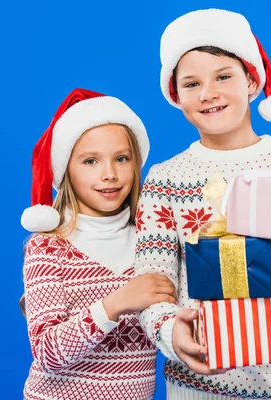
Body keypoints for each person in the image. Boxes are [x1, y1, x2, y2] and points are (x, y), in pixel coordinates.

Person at [134, 9, 271, 399]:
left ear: (252, 81)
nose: (208, 93)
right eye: (191, 83)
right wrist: (170, 330)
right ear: (176, 95)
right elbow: (153, 282)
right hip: (197, 387)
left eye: (223, 76)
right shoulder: (164, 179)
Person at [20, 88, 176, 400]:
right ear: (66, 170)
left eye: (121, 158)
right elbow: (47, 352)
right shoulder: (48, 248)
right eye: (91, 161)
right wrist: (116, 304)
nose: (109, 174)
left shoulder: (153, 243)